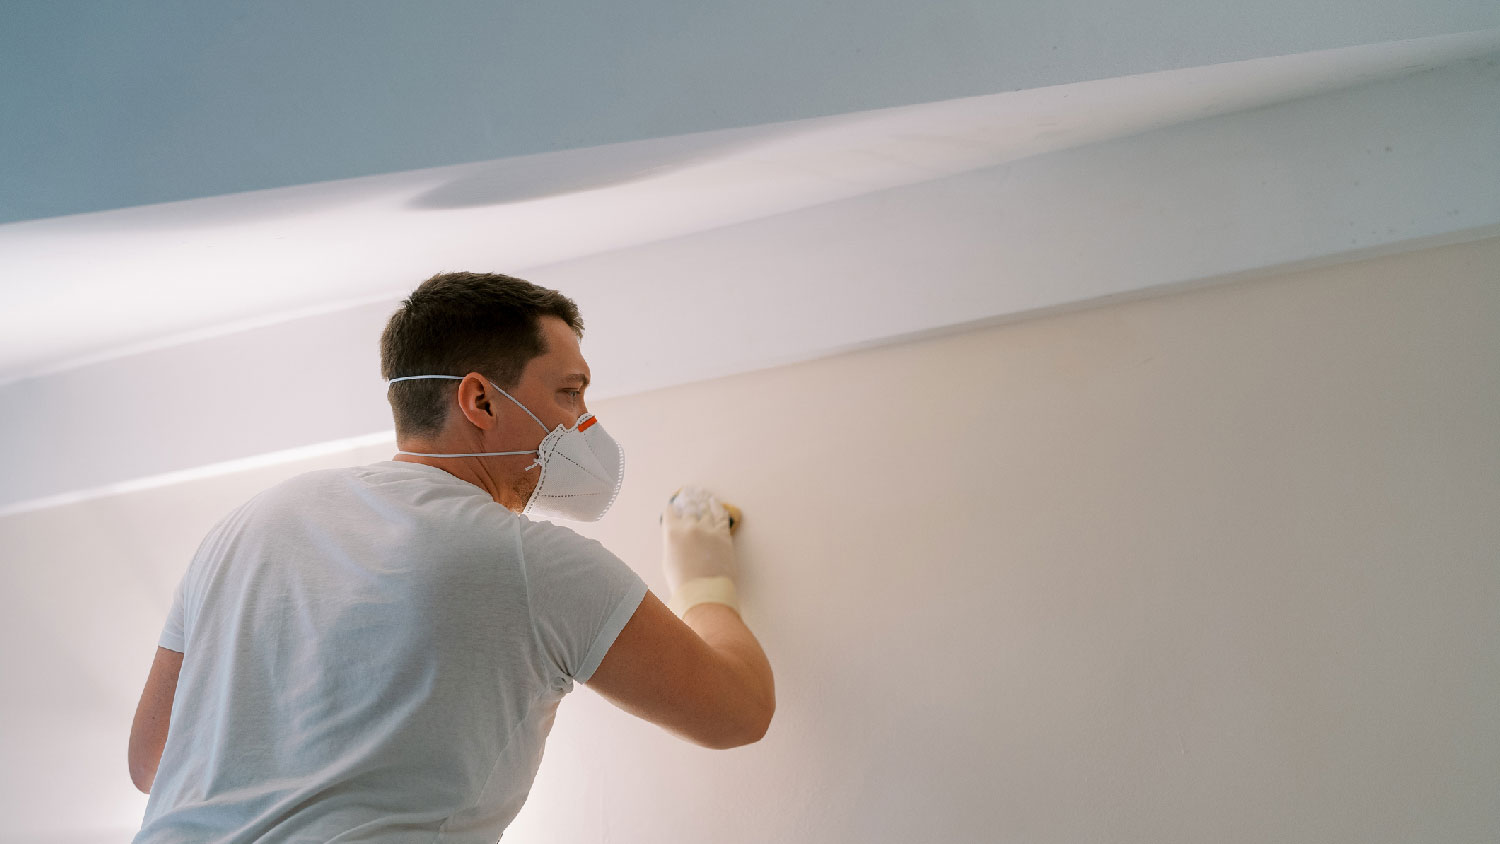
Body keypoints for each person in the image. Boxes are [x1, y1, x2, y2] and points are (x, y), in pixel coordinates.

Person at [127, 272, 775, 842]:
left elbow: (152, 761)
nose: (585, 422)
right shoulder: (534, 561)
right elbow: (737, 712)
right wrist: (705, 583)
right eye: (570, 393)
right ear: (481, 400)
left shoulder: (246, 524)